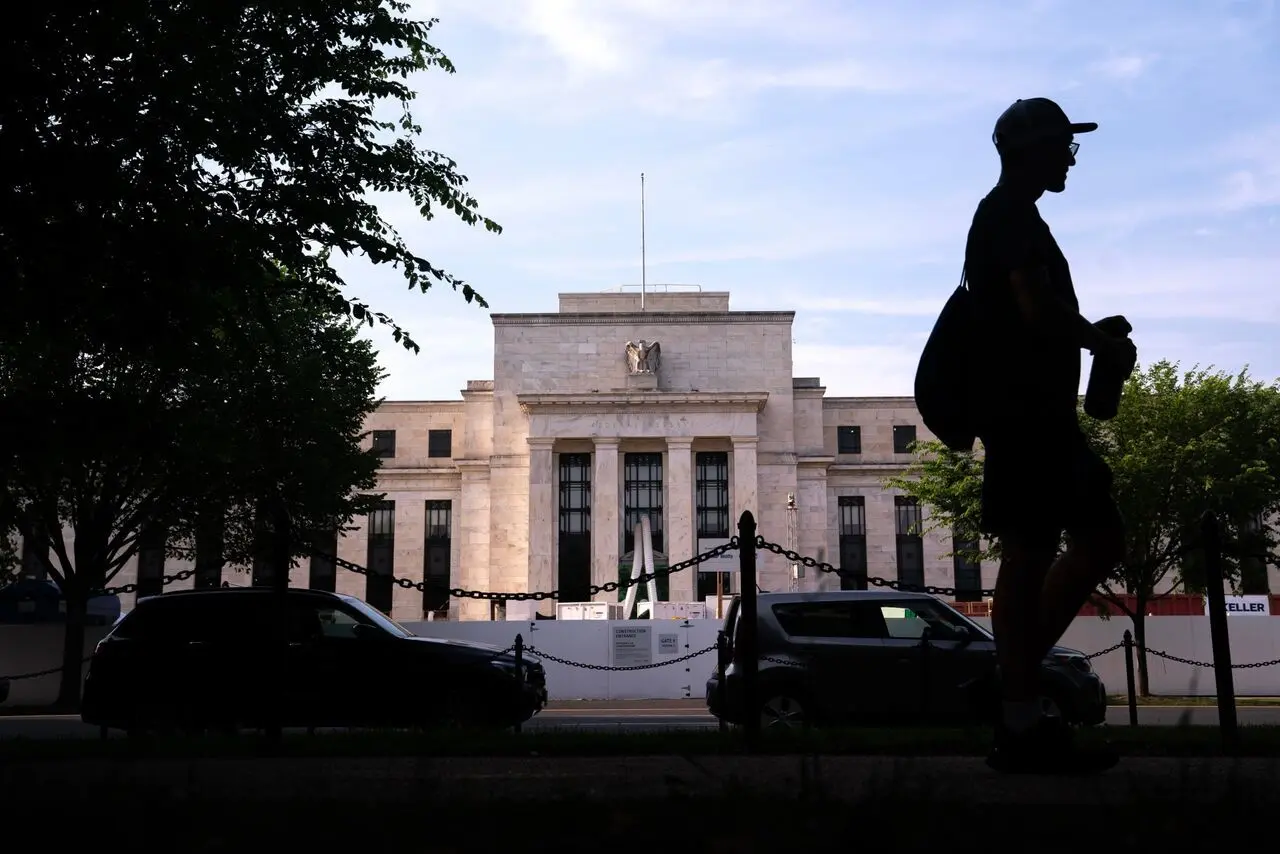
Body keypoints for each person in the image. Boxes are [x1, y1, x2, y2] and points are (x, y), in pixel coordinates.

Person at [964, 98, 1136, 774]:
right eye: (1063, 144)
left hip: (1042, 417)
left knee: (1083, 542)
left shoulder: (1017, 216)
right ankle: (1018, 715)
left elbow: (1038, 308)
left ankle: (1012, 688)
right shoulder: (1008, 214)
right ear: (1030, 149)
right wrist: (1096, 340)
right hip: (1026, 418)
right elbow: (1035, 309)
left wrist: (1089, 335)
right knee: (1035, 552)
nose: (1070, 157)